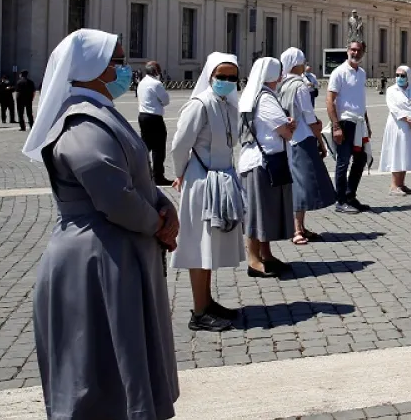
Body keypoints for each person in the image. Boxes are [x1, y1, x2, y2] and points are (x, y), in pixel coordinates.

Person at [21, 29, 179, 420]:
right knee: (98, 372)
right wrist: (156, 222)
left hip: (116, 253)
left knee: (121, 360)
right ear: (91, 69)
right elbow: (113, 195)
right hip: (96, 261)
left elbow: (134, 176)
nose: (125, 70)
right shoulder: (81, 123)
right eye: (118, 62)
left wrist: (164, 205)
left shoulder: (99, 111)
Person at [170, 52, 245, 333]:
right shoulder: (199, 104)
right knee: (200, 245)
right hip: (201, 182)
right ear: (210, 77)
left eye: (231, 78)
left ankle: (207, 301)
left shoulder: (226, 104)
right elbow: (180, 144)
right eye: (221, 77)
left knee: (209, 246)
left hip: (222, 180)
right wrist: (180, 173)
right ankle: (199, 311)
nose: (226, 81)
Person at [237, 57, 297, 278]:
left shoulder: (254, 94)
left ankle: (266, 253)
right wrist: (291, 125)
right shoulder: (266, 98)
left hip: (259, 159)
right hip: (264, 162)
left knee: (263, 211)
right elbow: (285, 130)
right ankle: (253, 258)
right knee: (257, 212)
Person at [278, 48, 336, 244]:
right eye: (303, 61)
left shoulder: (281, 85)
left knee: (297, 182)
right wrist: (320, 141)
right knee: (302, 185)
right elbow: (309, 117)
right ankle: (297, 229)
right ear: (297, 64)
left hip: (287, 139)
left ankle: (300, 226)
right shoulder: (300, 86)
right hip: (302, 138)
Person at [328, 41, 373, 214]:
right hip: (345, 122)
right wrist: (336, 126)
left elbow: (361, 100)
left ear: (363, 52)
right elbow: (329, 100)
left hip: (359, 122)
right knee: (343, 162)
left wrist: (367, 124)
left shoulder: (361, 73)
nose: (355, 52)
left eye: (359, 50)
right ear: (347, 51)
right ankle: (340, 201)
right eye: (352, 49)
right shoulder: (338, 72)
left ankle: (350, 195)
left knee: (360, 159)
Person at [381, 65, 411, 196]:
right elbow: (394, 109)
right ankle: (394, 185)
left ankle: (401, 183)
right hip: (398, 126)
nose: (399, 78)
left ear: (409, 77)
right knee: (397, 153)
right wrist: (408, 120)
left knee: (405, 154)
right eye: (397, 75)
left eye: (402, 75)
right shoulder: (391, 90)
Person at [138, 61, 174, 185]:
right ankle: (158, 176)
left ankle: (139, 172)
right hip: (154, 118)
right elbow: (166, 101)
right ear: (155, 71)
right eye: (158, 70)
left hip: (142, 116)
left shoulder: (141, 82)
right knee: (159, 148)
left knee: (145, 146)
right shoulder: (156, 84)